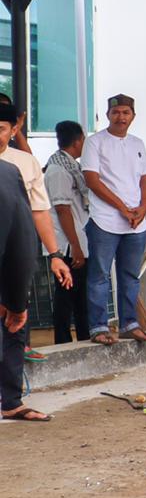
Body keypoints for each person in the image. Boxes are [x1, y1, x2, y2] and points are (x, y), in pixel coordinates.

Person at [0, 104, 72, 422]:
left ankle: (12, 399)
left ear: (14, 129)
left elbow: (37, 213)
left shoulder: (20, 165)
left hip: (12, 253)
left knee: (14, 325)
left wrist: (55, 254)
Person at [81, 94, 146, 345]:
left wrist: (142, 207)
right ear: (108, 114)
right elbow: (91, 179)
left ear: (133, 115)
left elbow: (145, 179)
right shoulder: (95, 142)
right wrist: (122, 208)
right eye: (116, 112)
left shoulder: (137, 143)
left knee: (130, 275)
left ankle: (129, 323)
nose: (121, 117)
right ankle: (99, 327)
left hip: (135, 222)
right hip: (105, 219)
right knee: (99, 275)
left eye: (125, 112)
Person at [0, 163, 42, 421]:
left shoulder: (7, 173)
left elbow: (22, 239)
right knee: (14, 321)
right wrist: (16, 302)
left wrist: (15, 302)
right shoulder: (7, 173)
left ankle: (12, 400)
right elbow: (23, 244)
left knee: (13, 323)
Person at [44, 121, 91, 343]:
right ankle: (62, 341)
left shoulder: (71, 166)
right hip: (67, 244)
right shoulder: (58, 169)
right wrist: (77, 247)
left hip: (76, 239)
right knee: (66, 295)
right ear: (78, 140)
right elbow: (63, 210)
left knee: (80, 295)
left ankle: (83, 336)